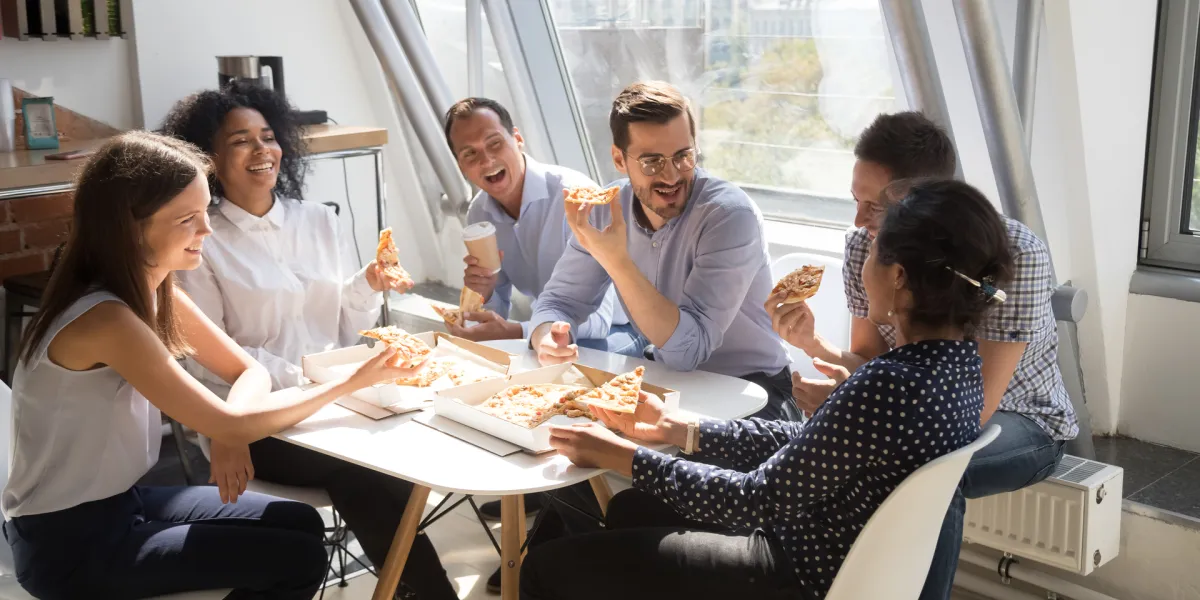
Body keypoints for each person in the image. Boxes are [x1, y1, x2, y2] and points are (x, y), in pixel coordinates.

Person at [521, 178, 1015, 600]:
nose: (865, 259)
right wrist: (682, 429)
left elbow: (753, 499)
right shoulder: (957, 365)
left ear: (900, 276)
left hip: (794, 573)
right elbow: (814, 449)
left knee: (545, 568)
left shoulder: (888, 382)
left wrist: (621, 457)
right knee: (632, 506)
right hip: (829, 553)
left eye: (875, 247)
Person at [0, 131, 423, 599]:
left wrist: (227, 431)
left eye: (206, 212)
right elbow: (232, 419)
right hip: (69, 545)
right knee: (298, 558)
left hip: (122, 503)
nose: (207, 230)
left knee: (300, 523)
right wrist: (353, 381)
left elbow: (249, 373)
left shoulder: (157, 290)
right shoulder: (107, 319)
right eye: (188, 219)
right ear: (129, 227)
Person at [160, 82, 457, 599]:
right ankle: (430, 593)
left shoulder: (320, 221)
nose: (262, 151)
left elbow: (343, 326)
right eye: (240, 141)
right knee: (367, 473)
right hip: (258, 419)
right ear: (209, 157)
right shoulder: (199, 242)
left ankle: (411, 587)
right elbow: (210, 362)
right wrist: (316, 382)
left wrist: (366, 283)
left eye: (269, 136)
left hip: (344, 397)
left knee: (419, 445)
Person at [766, 111, 1079, 600]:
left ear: (923, 204)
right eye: (856, 201)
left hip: (1024, 420)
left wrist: (852, 416)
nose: (858, 222)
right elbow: (872, 363)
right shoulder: (863, 249)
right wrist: (818, 350)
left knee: (930, 471)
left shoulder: (1015, 255)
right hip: (924, 414)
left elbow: (973, 411)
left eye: (873, 207)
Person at [529, 80, 798, 422]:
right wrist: (546, 339)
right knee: (552, 430)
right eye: (652, 161)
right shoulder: (606, 208)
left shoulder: (730, 216)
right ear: (618, 159)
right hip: (666, 379)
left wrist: (617, 261)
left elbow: (689, 351)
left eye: (683, 156)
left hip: (754, 393)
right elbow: (559, 302)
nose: (671, 176)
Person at [442, 97, 641, 356]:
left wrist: (519, 332)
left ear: (517, 139)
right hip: (550, 330)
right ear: (460, 164)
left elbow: (598, 323)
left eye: (495, 143)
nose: (487, 160)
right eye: (470, 153)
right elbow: (495, 320)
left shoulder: (578, 197)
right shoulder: (480, 213)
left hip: (618, 331)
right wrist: (486, 292)